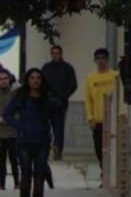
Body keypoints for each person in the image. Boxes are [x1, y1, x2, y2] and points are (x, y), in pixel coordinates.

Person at [3, 68, 59, 197]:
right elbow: (7, 115)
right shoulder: (21, 96)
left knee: (39, 176)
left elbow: (55, 119)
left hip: (42, 141)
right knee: (26, 176)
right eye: (32, 78)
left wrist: (57, 140)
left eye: (38, 78)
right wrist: (20, 126)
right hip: (24, 142)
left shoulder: (47, 97)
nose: (35, 81)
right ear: (27, 80)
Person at [84, 47, 119, 184]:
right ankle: (103, 172)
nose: (101, 61)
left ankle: (111, 175)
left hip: (112, 120)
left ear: (108, 60)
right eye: (98, 59)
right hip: (98, 120)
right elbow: (88, 99)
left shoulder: (115, 76)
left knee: (112, 148)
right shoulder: (90, 78)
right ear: (95, 61)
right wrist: (90, 117)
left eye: (103, 58)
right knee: (99, 148)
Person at [41, 45, 77, 160]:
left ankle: (58, 149)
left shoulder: (67, 68)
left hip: (61, 103)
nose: (55, 55)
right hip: (46, 102)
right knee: (44, 127)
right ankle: (45, 148)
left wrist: (63, 96)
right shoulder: (46, 68)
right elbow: (41, 83)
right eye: (53, 53)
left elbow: (73, 85)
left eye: (57, 53)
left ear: (61, 54)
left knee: (58, 127)